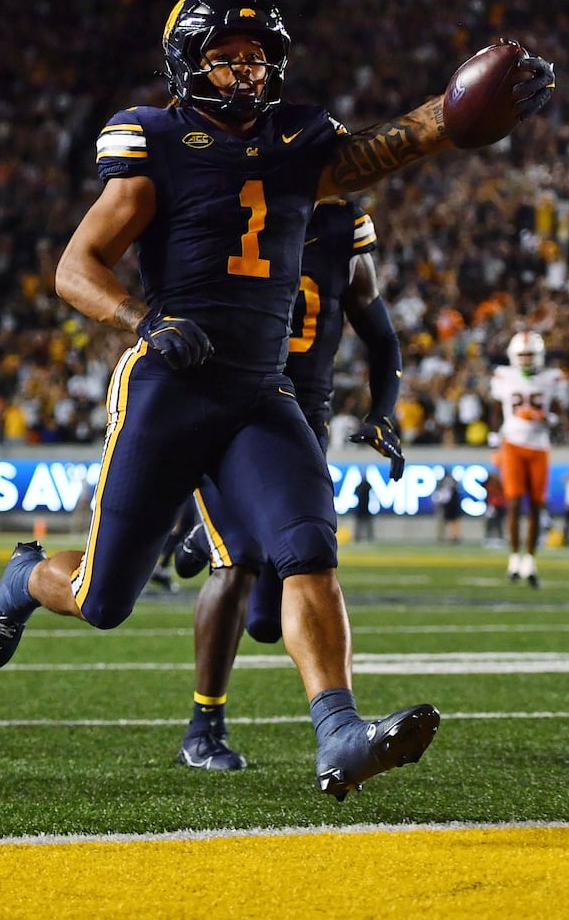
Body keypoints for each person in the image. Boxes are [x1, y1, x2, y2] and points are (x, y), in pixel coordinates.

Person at [0, 0, 553, 799]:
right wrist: (143, 320)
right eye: (225, 57)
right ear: (187, 63)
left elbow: (393, 142)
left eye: (256, 57)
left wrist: (452, 121)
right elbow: (75, 266)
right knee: (102, 599)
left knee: (307, 546)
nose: (244, 73)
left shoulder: (300, 139)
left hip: (261, 389)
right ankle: (24, 578)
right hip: (172, 385)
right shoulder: (154, 141)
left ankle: (340, 731)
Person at [168, 197, 405, 771]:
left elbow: (379, 333)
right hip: (233, 410)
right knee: (239, 562)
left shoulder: (343, 225)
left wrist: (384, 410)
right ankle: (203, 728)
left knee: (268, 621)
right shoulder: (235, 203)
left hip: (304, 422)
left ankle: (211, 535)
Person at [490, 330, 566, 586]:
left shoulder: (552, 378)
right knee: (513, 500)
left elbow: (560, 418)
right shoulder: (503, 376)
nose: (525, 360)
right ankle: (513, 557)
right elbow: (495, 409)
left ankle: (530, 561)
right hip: (511, 442)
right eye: (522, 355)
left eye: (530, 355)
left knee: (536, 504)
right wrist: (494, 436)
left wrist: (545, 419)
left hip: (539, 446)